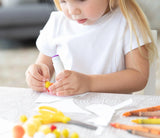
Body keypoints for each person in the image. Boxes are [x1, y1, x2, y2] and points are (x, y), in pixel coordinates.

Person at [25, 0, 157, 96]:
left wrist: (89, 83)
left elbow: (138, 77)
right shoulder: (57, 22)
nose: (72, 11)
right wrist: (35, 75)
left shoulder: (126, 21)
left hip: (112, 109)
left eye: (81, 0)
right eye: (63, 1)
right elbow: (43, 67)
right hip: (66, 109)